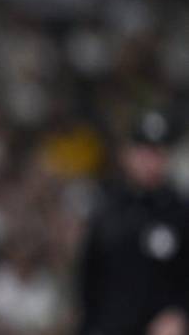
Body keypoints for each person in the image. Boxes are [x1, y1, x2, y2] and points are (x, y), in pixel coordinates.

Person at [78, 110, 189, 335]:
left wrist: (181, 312)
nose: (149, 161)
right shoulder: (106, 207)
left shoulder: (180, 212)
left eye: (157, 152)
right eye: (143, 151)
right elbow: (89, 279)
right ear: (126, 154)